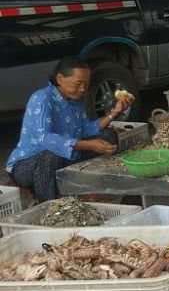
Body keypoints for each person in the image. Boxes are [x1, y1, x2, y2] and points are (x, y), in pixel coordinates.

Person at [7, 57, 132, 202]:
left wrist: (114, 113)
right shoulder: (42, 99)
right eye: (78, 84)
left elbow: (84, 130)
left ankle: (99, 184)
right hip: (27, 165)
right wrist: (89, 145)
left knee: (108, 136)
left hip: (64, 157)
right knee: (50, 156)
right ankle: (47, 206)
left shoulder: (76, 100)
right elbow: (45, 139)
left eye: (86, 84)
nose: (83, 89)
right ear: (60, 79)